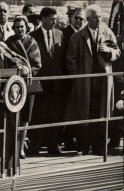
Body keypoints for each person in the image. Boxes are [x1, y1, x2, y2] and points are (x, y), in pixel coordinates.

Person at [65, 4, 120, 155]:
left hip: (103, 82)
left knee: (101, 114)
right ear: (88, 19)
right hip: (85, 83)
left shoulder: (107, 32)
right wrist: (80, 77)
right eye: (96, 17)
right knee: (85, 114)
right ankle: (83, 146)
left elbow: (117, 52)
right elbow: (70, 61)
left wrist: (109, 51)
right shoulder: (77, 37)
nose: (99, 20)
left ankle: (99, 147)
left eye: (100, 17)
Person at [28, 7, 64, 156]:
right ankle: (35, 146)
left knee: (54, 115)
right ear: (43, 18)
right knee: (38, 115)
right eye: (51, 19)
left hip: (55, 83)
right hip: (40, 82)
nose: (54, 22)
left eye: (55, 19)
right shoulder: (33, 36)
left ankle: (53, 146)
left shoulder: (59, 34)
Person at [5, 16, 41, 159]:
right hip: (13, 84)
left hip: (28, 83)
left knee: (25, 117)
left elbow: (37, 63)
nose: (20, 29)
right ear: (13, 28)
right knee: (13, 116)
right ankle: (12, 146)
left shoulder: (32, 42)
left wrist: (28, 71)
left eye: (22, 26)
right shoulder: (9, 42)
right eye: (17, 27)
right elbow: (5, 63)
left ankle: (21, 148)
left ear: (26, 27)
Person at [61, 8, 85, 151]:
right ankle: (67, 139)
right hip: (69, 80)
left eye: (81, 19)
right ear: (71, 18)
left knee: (79, 110)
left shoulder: (85, 34)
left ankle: (74, 138)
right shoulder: (65, 34)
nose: (78, 21)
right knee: (68, 111)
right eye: (76, 18)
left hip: (83, 80)